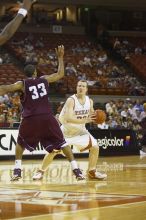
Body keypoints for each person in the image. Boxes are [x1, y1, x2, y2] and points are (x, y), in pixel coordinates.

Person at [0, 45, 85, 181]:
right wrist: (60, 58)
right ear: (35, 73)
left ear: (26, 74)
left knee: (20, 143)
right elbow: (60, 74)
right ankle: (77, 170)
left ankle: (17, 170)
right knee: (62, 143)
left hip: (30, 118)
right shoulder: (44, 79)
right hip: (47, 117)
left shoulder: (22, 84)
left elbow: (7, 88)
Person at [33, 80, 107, 180]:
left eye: (83, 86)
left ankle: (92, 171)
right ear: (76, 88)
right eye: (79, 86)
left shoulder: (89, 101)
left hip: (80, 132)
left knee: (95, 147)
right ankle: (40, 171)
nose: (80, 88)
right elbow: (69, 118)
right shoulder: (71, 100)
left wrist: (97, 118)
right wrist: (87, 120)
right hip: (65, 132)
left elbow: (92, 115)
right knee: (52, 152)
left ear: (86, 89)